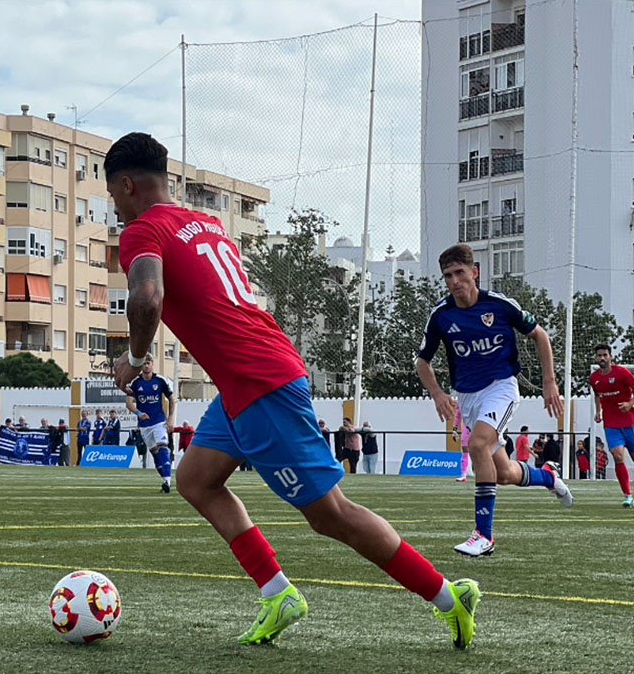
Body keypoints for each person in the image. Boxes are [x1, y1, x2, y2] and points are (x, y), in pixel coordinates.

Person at [106, 132, 477, 649]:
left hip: (260, 383)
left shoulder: (143, 230)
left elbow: (147, 299)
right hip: (246, 381)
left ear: (126, 185)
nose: (116, 210)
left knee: (331, 515)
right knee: (195, 480)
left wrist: (136, 359)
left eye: (113, 198)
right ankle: (278, 593)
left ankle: (446, 595)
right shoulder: (207, 223)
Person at [416, 243, 571, 558]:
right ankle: (548, 476)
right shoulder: (441, 316)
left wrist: (549, 383)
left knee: (476, 445)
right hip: (468, 397)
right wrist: (437, 393)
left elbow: (540, 335)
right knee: (504, 474)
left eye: (460, 273)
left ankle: (483, 536)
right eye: (448, 275)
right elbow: (422, 361)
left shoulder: (499, 305)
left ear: (474, 272)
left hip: (501, 388)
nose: (454, 281)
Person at [588, 343, 634, 507]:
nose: (602, 358)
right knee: (617, 455)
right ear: (596, 358)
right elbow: (597, 395)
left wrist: (629, 404)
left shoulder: (622, 372)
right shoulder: (594, 378)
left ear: (611, 357)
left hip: (630, 422)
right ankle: (627, 495)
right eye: (599, 355)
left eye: (605, 355)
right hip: (611, 424)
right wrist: (598, 411)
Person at [126, 358, 176, 493]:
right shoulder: (135, 383)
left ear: (152, 364)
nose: (146, 366)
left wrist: (170, 417)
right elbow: (129, 402)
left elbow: (171, 399)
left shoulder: (160, 380)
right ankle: (165, 480)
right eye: (144, 363)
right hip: (144, 425)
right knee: (154, 453)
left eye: (148, 363)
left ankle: (168, 482)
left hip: (159, 421)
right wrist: (138, 412)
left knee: (163, 447)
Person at [452, 406, 472, 482]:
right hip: (466, 427)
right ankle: (463, 475)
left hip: (477, 425)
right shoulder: (461, 401)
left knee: (480, 448)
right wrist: (455, 429)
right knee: (465, 449)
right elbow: (457, 415)